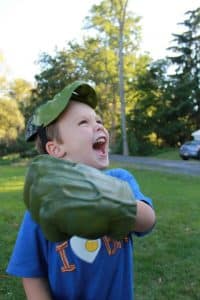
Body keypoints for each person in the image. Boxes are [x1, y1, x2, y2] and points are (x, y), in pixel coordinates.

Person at [7, 80, 156, 300]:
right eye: (84, 123)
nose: (98, 125)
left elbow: (148, 220)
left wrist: (110, 197)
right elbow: (31, 273)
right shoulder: (43, 203)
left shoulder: (120, 180)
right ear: (55, 149)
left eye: (99, 120)